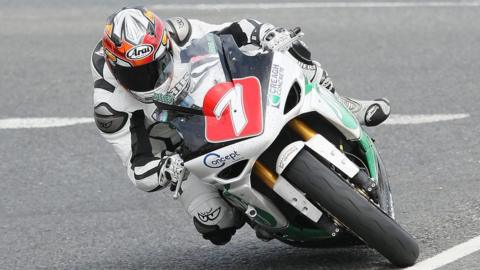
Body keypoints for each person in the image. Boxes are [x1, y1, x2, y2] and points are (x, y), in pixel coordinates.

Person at [91, 6, 391, 245]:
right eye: (137, 74)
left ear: (165, 44)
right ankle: (249, 207)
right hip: (176, 142)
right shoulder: (110, 106)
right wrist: (165, 168)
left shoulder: (178, 32)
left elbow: (234, 31)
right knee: (215, 223)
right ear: (115, 66)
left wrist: (266, 34)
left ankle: (344, 102)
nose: (149, 78)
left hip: (213, 98)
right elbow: (136, 166)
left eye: (155, 65)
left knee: (289, 53)